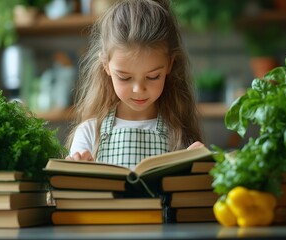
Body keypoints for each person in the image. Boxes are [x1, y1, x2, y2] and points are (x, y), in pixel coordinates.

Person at [65, 0, 204, 169]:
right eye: (124, 77)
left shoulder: (178, 134)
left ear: (170, 65)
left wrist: (198, 169)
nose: (139, 90)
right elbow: (71, 192)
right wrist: (77, 172)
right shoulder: (89, 133)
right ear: (106, 66)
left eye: (153, 77)